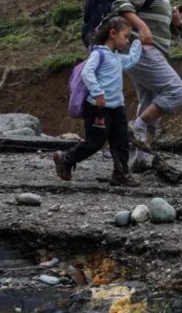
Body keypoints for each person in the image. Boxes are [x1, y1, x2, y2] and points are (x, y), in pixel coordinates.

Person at [111, 0, 182, 173]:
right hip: (143, 51)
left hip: (152, 53)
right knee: (176, 91)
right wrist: (142, 27)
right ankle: (137, 127)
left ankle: (141, 159)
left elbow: (168, 31)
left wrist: (176, 23)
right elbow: (121, 5)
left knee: (149, 101)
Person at [54, 16, 143, 186]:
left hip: (117, 107)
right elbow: (87, 72)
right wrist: (98, 92)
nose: (127, 41)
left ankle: (121, 173)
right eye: (126, 36)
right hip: (98, 107)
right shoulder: (99, 53)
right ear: (112, 34)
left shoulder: (116, 57)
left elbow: (131, 60)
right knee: (95, 142)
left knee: (121, 140)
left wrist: (139, 42)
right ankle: (65, 159)